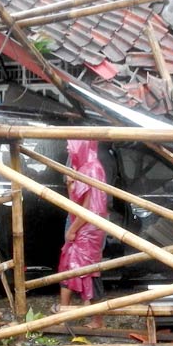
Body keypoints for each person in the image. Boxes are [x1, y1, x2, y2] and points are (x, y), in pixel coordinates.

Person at [55, 140, 108, 329]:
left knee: (88, 271)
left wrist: (73, 229)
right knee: (68, 266)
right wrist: (71, 185)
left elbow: (88, 207)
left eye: (72, 145)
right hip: (82, 224)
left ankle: (97, 320)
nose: (68, 148)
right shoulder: (82, 167)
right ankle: (64, 315)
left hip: (89, 228)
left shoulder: (92, 169)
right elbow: (77, 203)